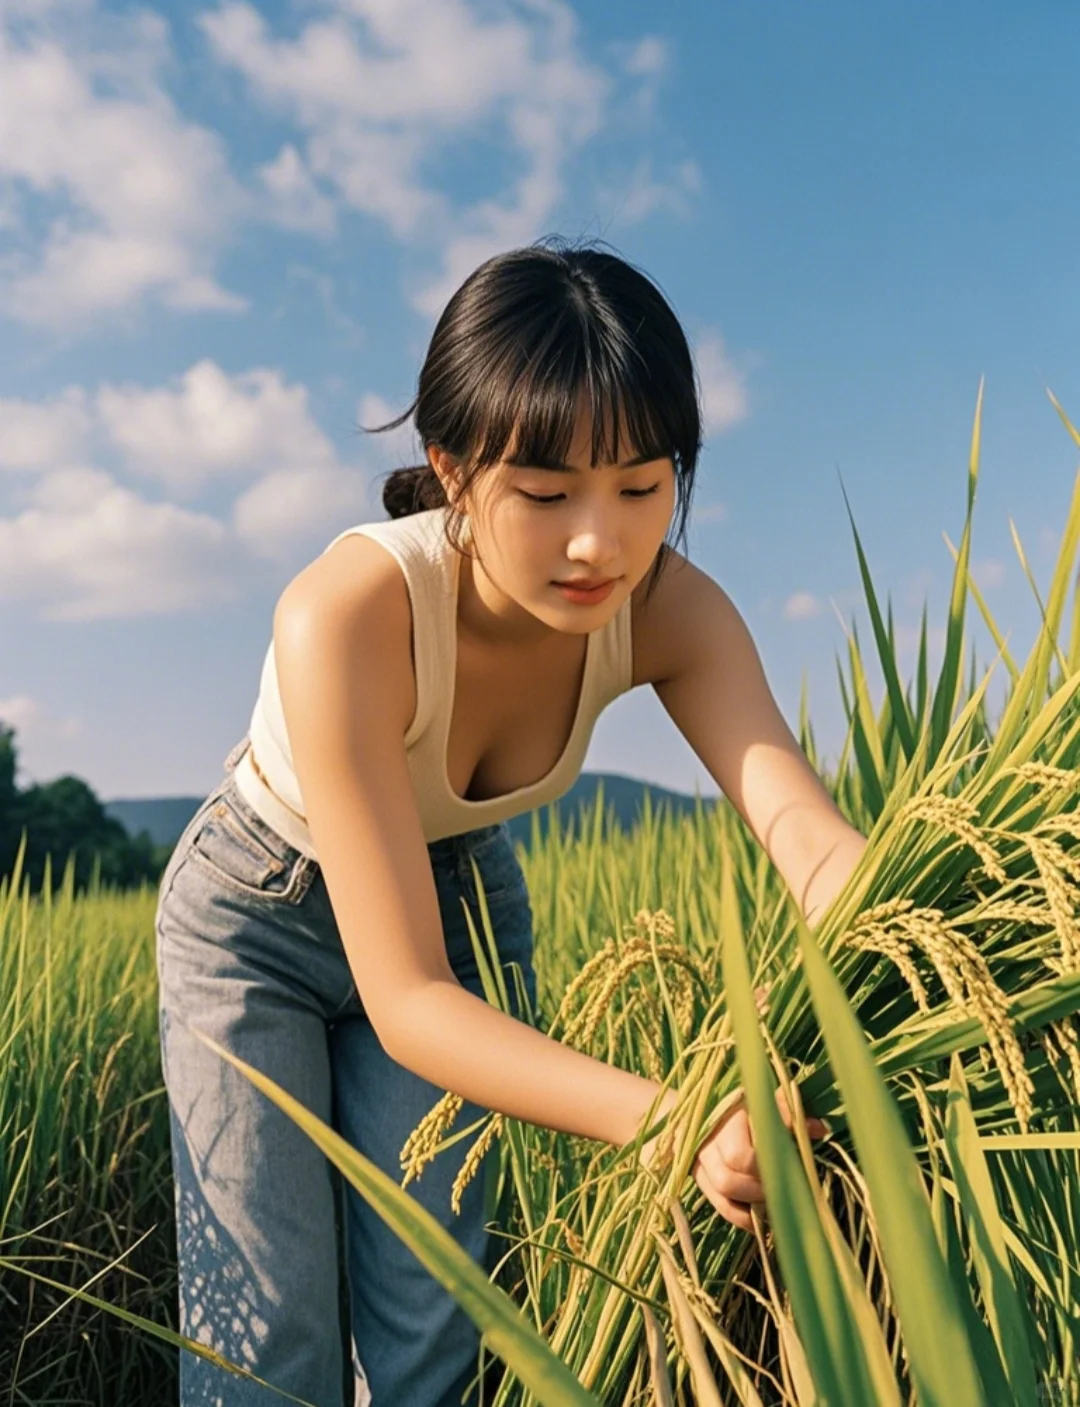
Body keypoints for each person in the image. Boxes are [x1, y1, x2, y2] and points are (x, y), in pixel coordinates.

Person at [154, 237, 830, 1407]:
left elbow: (807, 836)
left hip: (458, 902)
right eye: (547, 491)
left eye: (641, 485)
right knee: (266, 1350)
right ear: (453, 468)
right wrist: (676, 1123)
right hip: (253, 921)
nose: (599, 543)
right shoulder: (348, 612)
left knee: (432, 1337)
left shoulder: (676, 612)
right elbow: (407, 997)